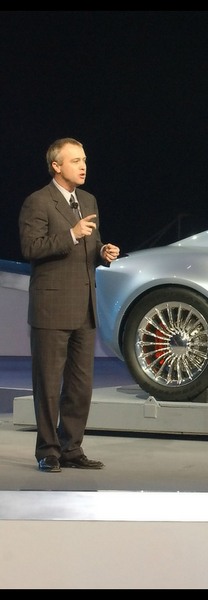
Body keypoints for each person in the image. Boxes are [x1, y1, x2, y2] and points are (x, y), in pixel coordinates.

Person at [18, 137, 120, 473]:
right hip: (51, 307)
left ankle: (71, 448)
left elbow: (91, 243)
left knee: (80, 387)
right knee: (48, 385)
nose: (83, 166)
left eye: (84, 160)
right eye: (75, 160)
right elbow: (31, 248)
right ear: (56, 166)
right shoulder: (38, 201)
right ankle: (48, 450)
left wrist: (102, 251)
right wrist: (72, 235)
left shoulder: (88, 199)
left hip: (84, 306)